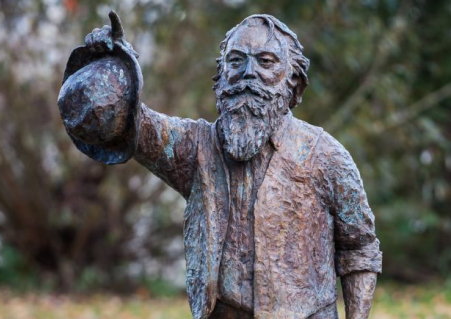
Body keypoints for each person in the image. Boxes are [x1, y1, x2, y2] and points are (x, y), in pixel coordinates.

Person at [60, 12, 382, 319]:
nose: (248, 74)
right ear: (220, 78)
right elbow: (133, 123)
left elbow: (360, 251)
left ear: (293, 84)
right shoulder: (196, 147)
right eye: (235, 61)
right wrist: (111, 65)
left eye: (266, 62)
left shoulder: (325, 156)